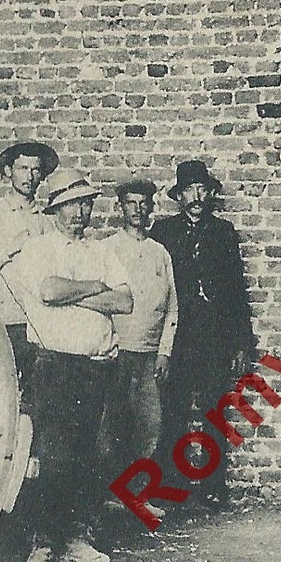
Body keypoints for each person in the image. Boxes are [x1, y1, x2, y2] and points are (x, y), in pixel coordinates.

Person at [1, 168, 133, 562]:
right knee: (51, 457)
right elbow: (48, 291)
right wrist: (96, 288)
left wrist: (80, 291)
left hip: (98, 366)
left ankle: (79, 537)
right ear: (54, 208)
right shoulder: (38, 249)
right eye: (72, 204)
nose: (81, 212)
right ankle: (43, 544)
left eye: (86, 203)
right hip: (54, 367)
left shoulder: (102, 252)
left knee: (93, 453)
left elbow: (125, 302)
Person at [150, 160, 254, 513]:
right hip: (177, 337)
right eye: (188, 191)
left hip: (214, 338)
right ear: (178, 197)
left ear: (209, 194)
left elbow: (238, 292)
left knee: (213, 413)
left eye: (201, 190)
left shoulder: (224, 234)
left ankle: (212, 488)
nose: (195, 196)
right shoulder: (162, 234)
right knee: (173, 412)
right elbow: (154, 288)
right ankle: (171, 487)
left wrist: (241, 343)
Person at [97, 177, 180, 510]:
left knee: (149, 426)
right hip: (116, 352)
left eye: (144, 203)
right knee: (110, 426)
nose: (138, 209)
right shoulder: (107, 249)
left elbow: (172, 305)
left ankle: (136, 496)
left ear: (151, 208)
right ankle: (104, 497)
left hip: (149, 355)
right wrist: (108, 345)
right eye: (131, 203)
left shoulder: (160, 253)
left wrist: (164, 352)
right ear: (120, 208)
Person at [0, 141, 60, 385]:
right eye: (23, 168)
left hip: (37, 325)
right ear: (8, 172)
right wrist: (7, 250)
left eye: (36, 170)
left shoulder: (47, 223)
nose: (29, 176)